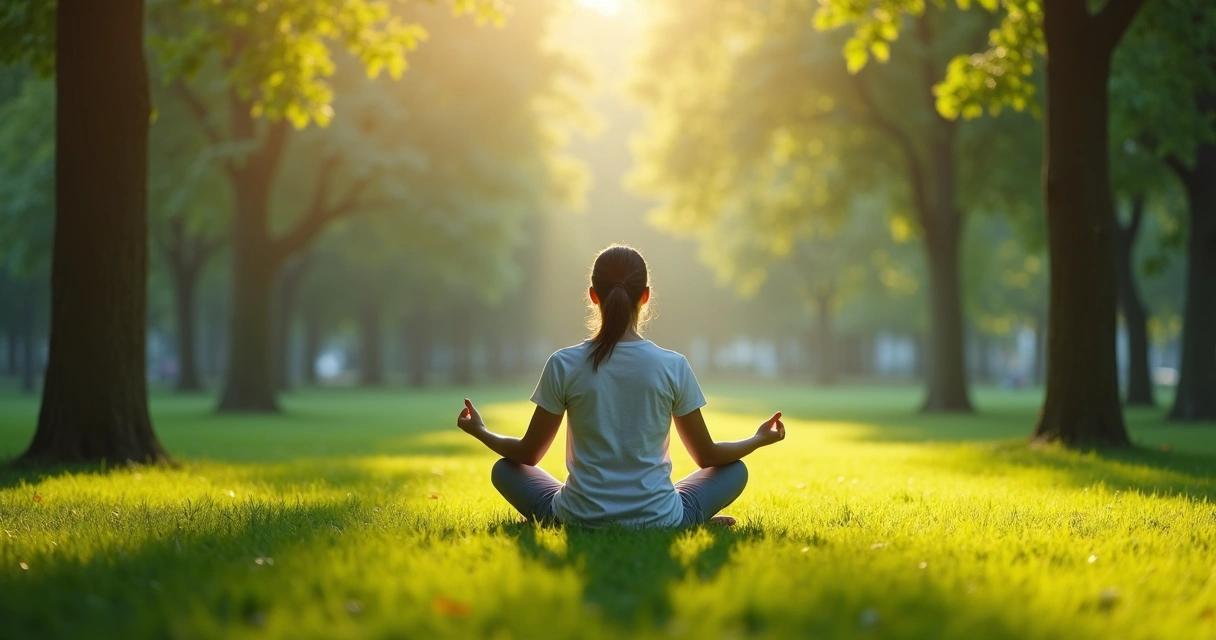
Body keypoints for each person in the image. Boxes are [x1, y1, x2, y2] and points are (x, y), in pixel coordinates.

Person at [455, 245, 786, 528]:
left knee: (505, 469)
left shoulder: (564, 363)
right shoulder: (672, 365)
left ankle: (583, 511)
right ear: (645, 296)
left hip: (575, 516)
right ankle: (686, 518)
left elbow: (528, 454)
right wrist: (758, 439)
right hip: (660, 518)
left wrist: (481, 431)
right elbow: (707, 456)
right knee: (735, 471)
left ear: (592, 295)